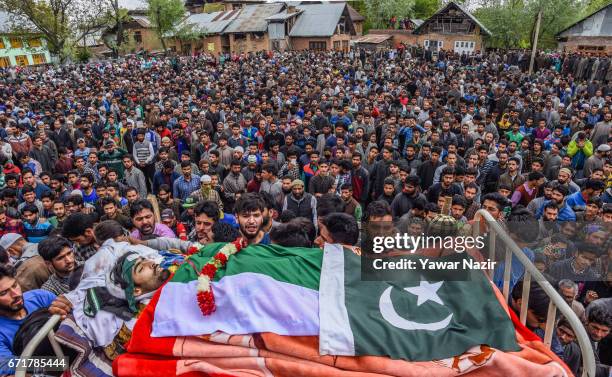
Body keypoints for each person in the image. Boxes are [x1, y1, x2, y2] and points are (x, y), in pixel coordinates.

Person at [0, 264, 55, 361]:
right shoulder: (2, 333)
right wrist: (59, 364)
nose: (16, 294)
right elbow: (11, 367)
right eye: (4, 293)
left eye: (15, 285)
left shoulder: (41, 297)